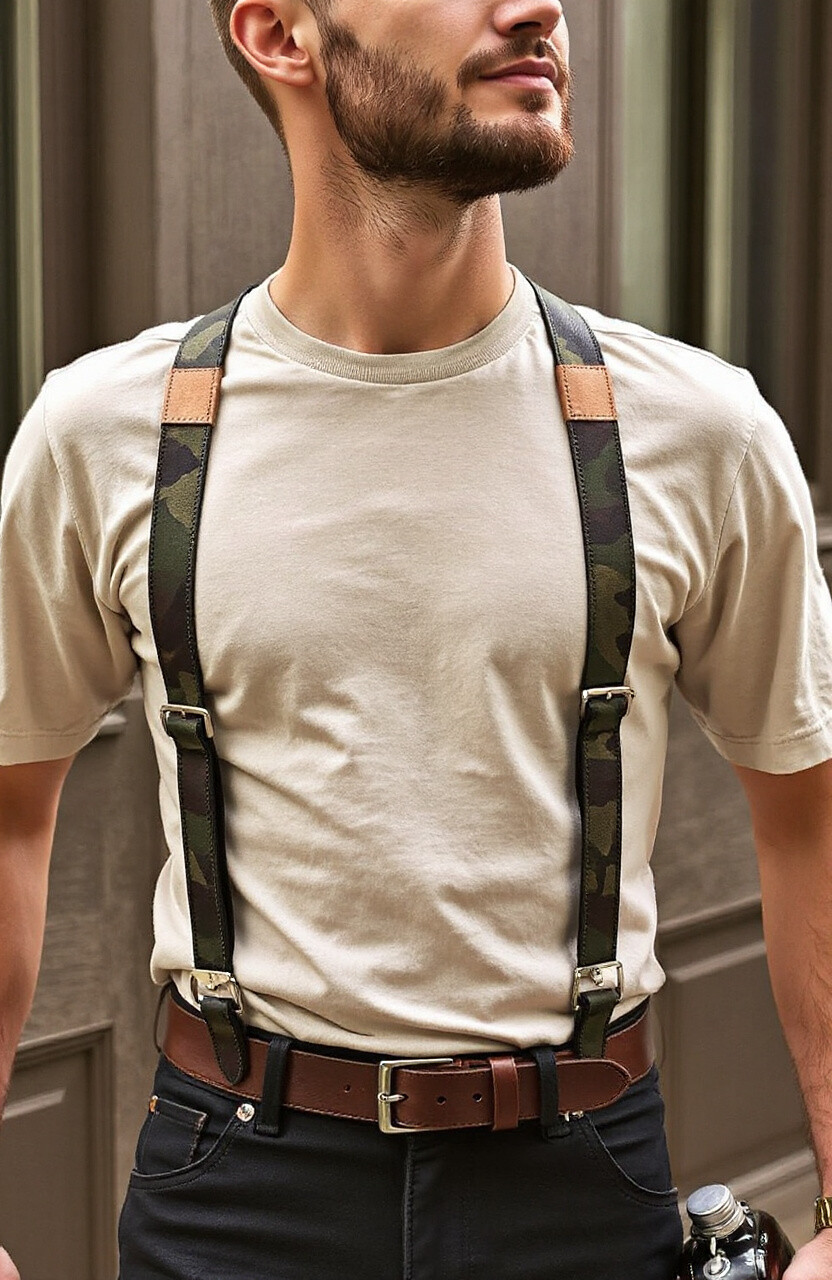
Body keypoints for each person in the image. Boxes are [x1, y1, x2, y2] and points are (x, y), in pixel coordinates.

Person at [1, 1, 832, 1276]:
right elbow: (9, 816)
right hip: (233, 1187)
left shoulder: (697, 431)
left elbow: (811, 821)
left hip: (579, 1177)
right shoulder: (108, 433)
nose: (540, 8)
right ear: (280, 33)